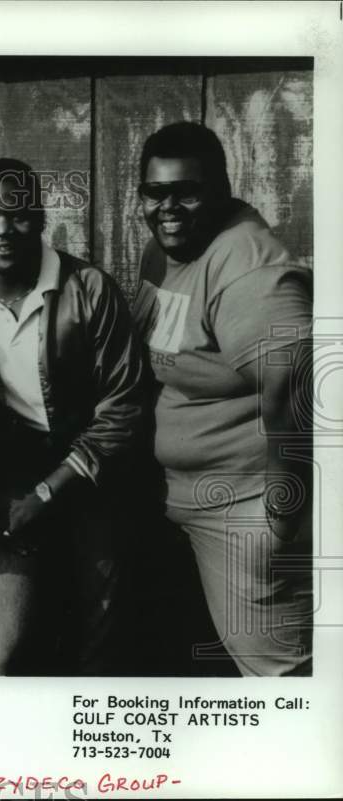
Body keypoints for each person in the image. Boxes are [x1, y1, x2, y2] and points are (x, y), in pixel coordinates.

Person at [0, 158, 149, 676]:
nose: (2, 230)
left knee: (101, 643)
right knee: (0, 653)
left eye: (18, 214)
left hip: (94, 484)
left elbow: (126, 405)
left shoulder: (90, 290)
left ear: (42, 216)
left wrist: (50, 491)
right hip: (12, 494)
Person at [132, 121, 312, 676]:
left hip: (243, 507)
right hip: (185, 501)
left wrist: (284, 507)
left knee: (280, 681)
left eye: (187, 191)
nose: (169, 207)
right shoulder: (164, 253)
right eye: (155, 192)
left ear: (221, 189)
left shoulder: (246, 264)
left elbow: (299, 378)